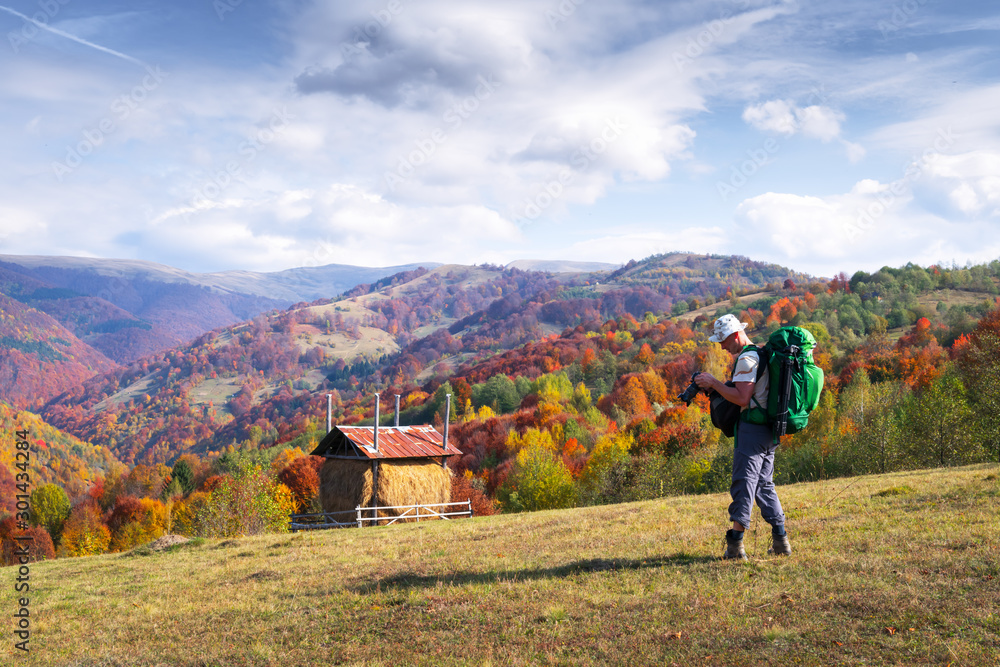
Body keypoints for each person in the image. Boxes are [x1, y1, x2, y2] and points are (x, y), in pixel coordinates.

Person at [694, 314, 791, 560]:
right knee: (763, 484)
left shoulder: (747, 359)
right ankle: (781, 543)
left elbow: (741, 398)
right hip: (768, 429)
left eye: (724, 341)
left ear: (736, 335)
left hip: (753, 430)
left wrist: (714, 383)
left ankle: (735, 547)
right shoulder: (759, 353)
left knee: (744, 484)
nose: (722, 346)